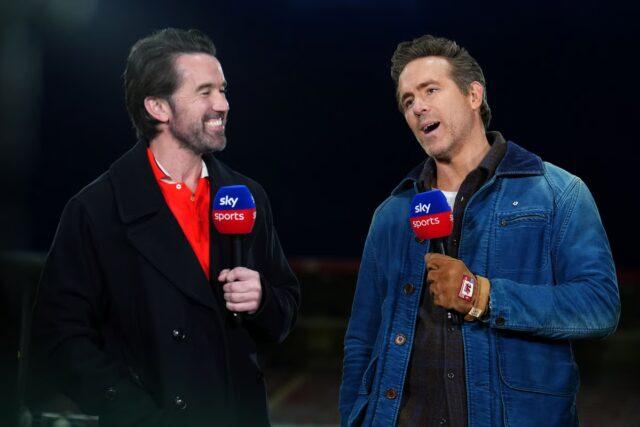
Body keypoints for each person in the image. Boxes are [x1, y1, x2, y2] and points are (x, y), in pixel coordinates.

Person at [339, 34, 620, 427]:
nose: (418, 107)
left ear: (473, 95)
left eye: (430, 90)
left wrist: (483, 295)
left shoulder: (557, 193)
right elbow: (362, 338)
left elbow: (599, 306)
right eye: (407, 100)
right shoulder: (392, 214)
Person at [30, 28, 300, 427]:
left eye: (223, 90)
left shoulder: (247, 196)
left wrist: (262, 299)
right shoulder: (96, 209)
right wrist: (134, 411)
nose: (223, 104)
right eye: (205, 92)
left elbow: (285, 310)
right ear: (158, 107)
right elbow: (59, 337)